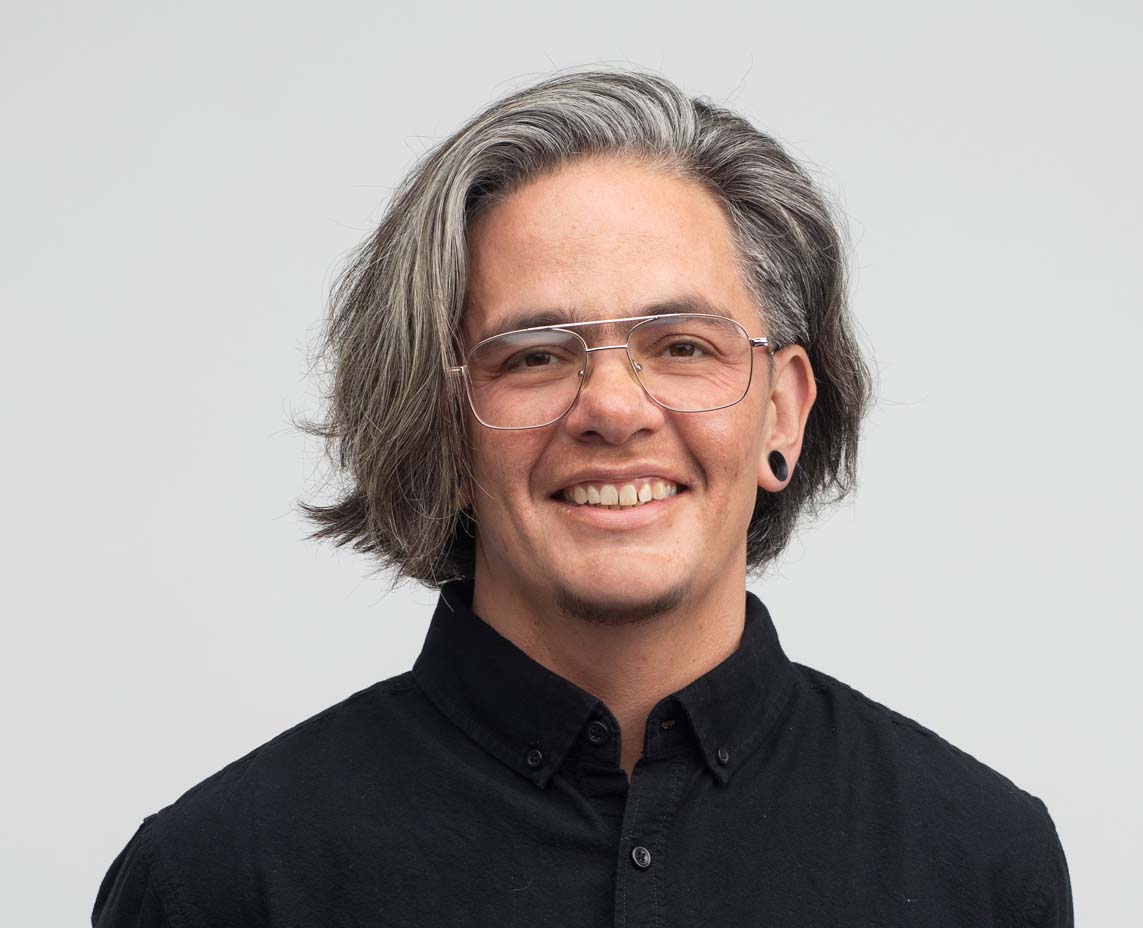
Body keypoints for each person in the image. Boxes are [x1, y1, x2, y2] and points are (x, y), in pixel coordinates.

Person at [93, 69, 1073, 926]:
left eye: (683, 345)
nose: (612, 405)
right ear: (440, 419)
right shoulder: (217, 881)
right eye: (532, 356)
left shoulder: (981, 864)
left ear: (782, 411)